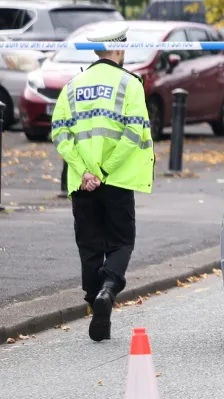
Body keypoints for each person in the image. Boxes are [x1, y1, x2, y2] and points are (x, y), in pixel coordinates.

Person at [50, 22, 155, 342]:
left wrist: (84, 172)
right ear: (119, 49)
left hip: (82, 185)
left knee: (90, 247)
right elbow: (133, 132)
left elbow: (60, 132)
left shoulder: (72, 85)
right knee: (122, 242)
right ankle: (109, 289)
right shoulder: (130, 84)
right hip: (117, 181)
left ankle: (96, 306)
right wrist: (104, 172)